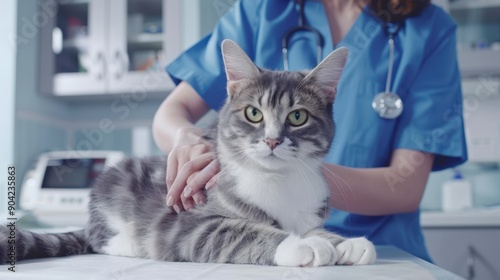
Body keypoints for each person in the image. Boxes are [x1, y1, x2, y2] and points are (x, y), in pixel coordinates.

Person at [152, 0, 467, 262]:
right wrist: (186, 138)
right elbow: (169, 115)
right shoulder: (263, 9)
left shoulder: (429, 29)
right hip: (256, 245)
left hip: (382, 254)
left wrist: (290, 174)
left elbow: (406, 185)